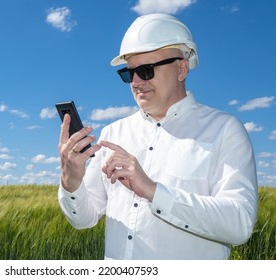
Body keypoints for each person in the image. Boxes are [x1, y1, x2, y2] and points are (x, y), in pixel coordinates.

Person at [57, 13, 258, 259]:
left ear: (182, 68)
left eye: (146, 70)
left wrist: (153, 191)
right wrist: (71, 179)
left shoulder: (224, 130)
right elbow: (83, 219)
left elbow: (240, 223)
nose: (137, 82)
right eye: (129, 73)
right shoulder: (114, 133)